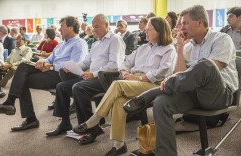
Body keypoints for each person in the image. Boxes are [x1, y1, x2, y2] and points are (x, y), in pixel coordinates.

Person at [126, 5, 238, 156]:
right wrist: (179, 48)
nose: (181, 27)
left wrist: (175, 78)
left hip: (219, 94)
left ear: (200, 22)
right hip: (192, 93)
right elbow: (181, 76)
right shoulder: (187, 46)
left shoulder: (222, 39)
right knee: (161, 103)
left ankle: (152, 92)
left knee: (206, 64)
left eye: (185, 23)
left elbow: (212, 70)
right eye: (180, 23)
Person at [73, 17, 177, 155]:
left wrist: (139, 77)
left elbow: (164, 71)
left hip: (154, 84)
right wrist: (124, 72)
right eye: (146, 30)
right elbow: (125, 62)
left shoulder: (168, 49)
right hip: (136, 81)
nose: (146, 32)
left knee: (117, 84)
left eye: (149, 30)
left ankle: (95, 119)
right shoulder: (143, 48)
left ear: (160, 31)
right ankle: (119, 144)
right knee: (118, 101)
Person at [0, 16, 88, 132]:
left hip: (63, 75)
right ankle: (26, 116)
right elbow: (49, 59)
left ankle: (14, 105)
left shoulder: (80, 43)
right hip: (51, 72)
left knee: (22, 74)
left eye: (62, 26)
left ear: (70, 27)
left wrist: (52, 66)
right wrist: (42, 62)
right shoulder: (61, 45)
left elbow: (75, 65)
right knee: (22, 72)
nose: (59, 29)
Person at [45, 14, 125, 139]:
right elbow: (86, 62)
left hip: (109, 78)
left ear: (107, 25)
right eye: (93, 27)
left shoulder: (115, 39)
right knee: (61, 86)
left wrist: (92, 74)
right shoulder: (95, 43)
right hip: (94, 77)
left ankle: (91, 128)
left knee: (78, 87)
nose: (94, 30)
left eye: (97, 27)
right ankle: (65, 123)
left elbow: (115, 65)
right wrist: (72, 67)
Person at [0, 35, 33, 99]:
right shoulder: (14, 50)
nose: (17, 41)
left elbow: (24, 60)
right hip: (9, 65)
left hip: (21, 67)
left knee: (13, 69)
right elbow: (7, 59)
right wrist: (5, 65)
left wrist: (10, 65)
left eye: (19, 39)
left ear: (24, 41)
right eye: (16, 39)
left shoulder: (27, 49)